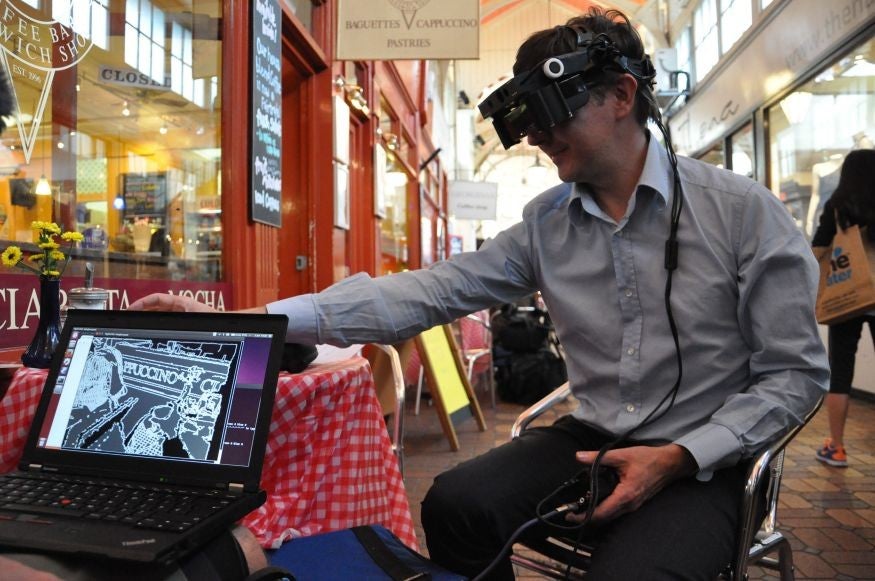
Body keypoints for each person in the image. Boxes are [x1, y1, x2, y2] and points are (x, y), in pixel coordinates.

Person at [129, 8, 828, 580]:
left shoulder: (742, 214)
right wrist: (247, 320)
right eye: (527, 121)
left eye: (553, 114)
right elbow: (428, 291)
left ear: (620, 95)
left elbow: (794, 375)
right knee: (455, 505)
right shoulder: (546, 224)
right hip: (590, 436)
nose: (536, 139)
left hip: (704, 460)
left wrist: (679, 455)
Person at [811, 149, 875, 468]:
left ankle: (836, 447)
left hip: (846, 296)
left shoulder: (838, 208)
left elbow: (818, 248)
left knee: (840, 371)